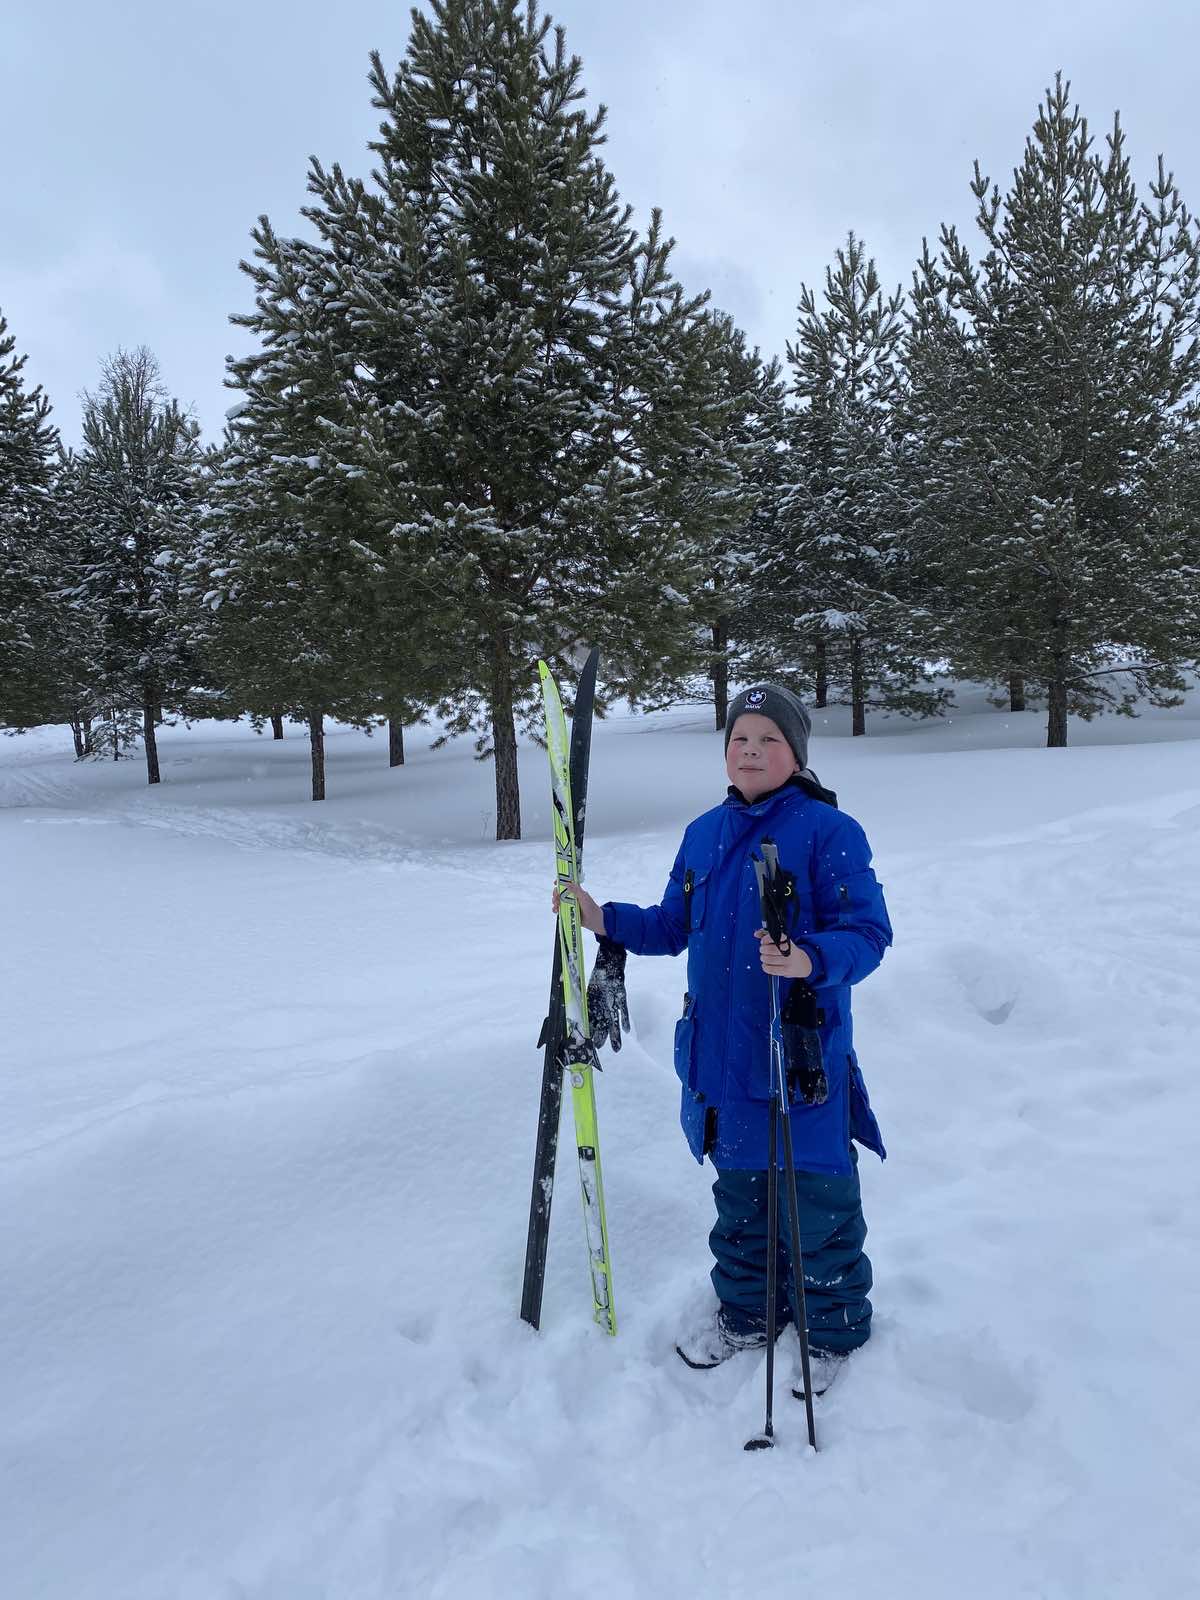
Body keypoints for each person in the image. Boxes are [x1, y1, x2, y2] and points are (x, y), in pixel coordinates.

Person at [560, 683, 892, 1390]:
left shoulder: (832, 833)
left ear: (794, 754)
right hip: (719, 1062)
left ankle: (831, 1333)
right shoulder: (703, 834)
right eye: (740, 739)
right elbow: (671, 927)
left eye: (768, 739)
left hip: (799, 1057)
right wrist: (603, 918)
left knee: (818, 1208)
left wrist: (810, 960)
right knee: (741, 1205)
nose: (751, 750)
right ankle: (747, 1317)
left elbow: (870, 934)